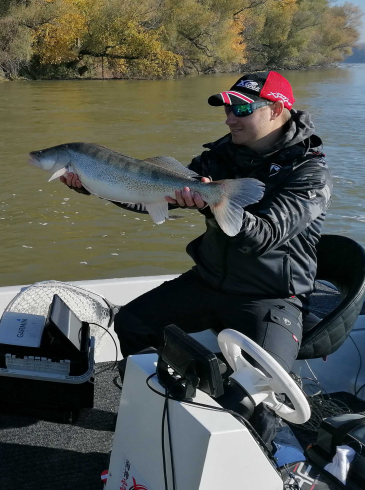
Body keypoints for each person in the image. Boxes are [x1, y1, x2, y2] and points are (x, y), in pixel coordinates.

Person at [62, 71, 332, 381]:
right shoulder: (218, 158)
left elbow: (264, 236)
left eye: (242, 109)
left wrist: (212, 203)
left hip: (270, 296)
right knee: (132, 322)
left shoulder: (310, 174)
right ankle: (160, 396)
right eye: (228, 109)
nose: (229, 119)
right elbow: (150, 196)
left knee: (262, 383)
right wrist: (95, 185)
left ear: (274, 109)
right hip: (207, 281)